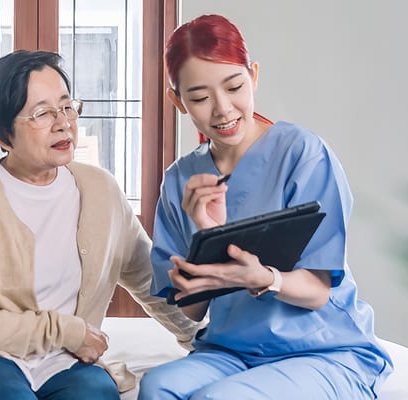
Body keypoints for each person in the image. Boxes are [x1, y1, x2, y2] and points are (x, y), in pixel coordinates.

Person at [0, 50, 201, 400]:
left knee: (97, 394)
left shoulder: (101, 190)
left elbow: (148, 278)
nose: (63, 122)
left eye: (66, 106)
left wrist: (204, 343)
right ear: (4, 136)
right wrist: (67, 331)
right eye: (42, 113)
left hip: (65, 360)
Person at [138, 14, 393, 399]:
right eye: (201, 98)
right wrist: (206, 239)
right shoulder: (181, 180)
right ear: (177, 101)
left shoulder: (302, 155)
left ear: (253, 76)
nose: (222, 109)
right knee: (157, 388)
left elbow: (318, 291)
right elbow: (192, 312)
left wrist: (263, 279)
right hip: (232, 351)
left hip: (323, 349)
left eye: (234, 86)